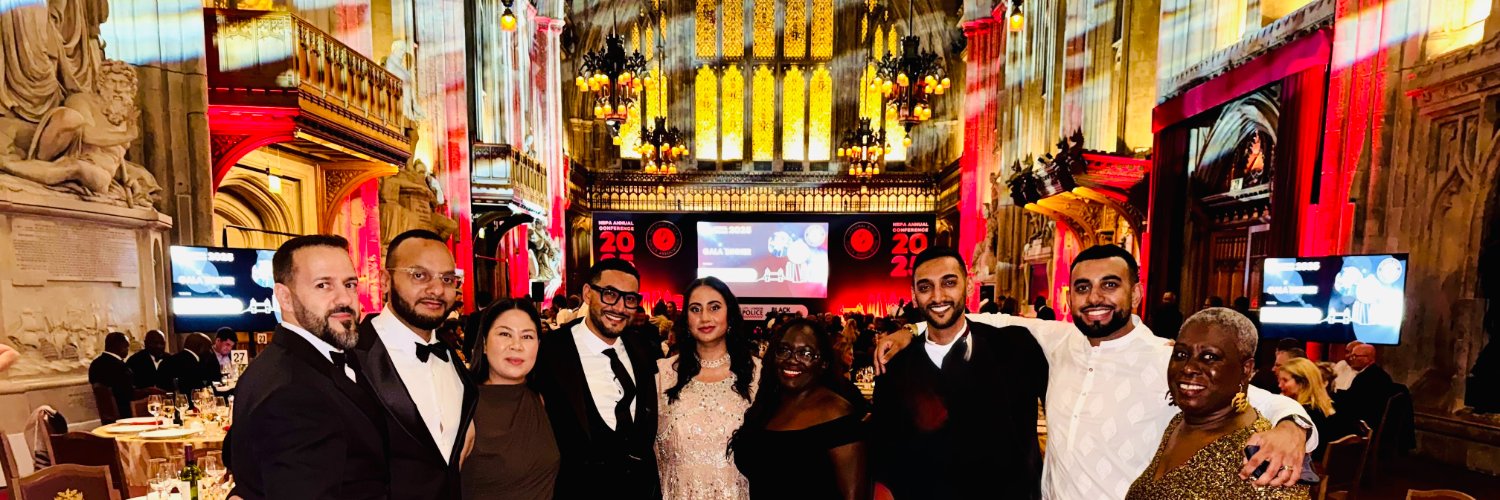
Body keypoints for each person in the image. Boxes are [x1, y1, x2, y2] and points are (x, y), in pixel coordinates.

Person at [877, 244, 1317, 499]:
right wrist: (909, 329)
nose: (1094, 299)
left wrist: (1293, 426)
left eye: (1110, 285)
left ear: (1137, 292)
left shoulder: (1168, 357)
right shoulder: (1056, 340)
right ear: (1071, 297)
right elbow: (972, 319)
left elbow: (1255, 396)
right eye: (1083, 288)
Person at [871, 247, 1047, 499]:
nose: (938, 296)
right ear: (913, 296)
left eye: (949, 282)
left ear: (970, 285)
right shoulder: (896, 368)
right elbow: (884, 457)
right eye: (925, 287)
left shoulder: (1015, 349)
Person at [229, 234, 388, 499]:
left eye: (349, 284)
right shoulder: (291, 392)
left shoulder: (316, 360)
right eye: (323, 285)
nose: (344, 299)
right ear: (285, 297)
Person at [1124, 308, 1310, 499]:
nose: (1188, 368)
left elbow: (1275, 403)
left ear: (1246, 369)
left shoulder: (1263, 455)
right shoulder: (1179, 422)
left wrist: (1294, 427)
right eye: (1180, 355)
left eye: (1210, 357)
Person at [353, 229, 476, 500]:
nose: (436, 289)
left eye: (447, 279)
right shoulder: (348, 357)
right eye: (419, 275)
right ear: (385, 280)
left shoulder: (452, 361)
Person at [531, 258, 660, 499]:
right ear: (588, 294)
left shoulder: (643, 350)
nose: (620, 307)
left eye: (630, 299)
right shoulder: (550, 352)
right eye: (610, 294)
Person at [732, 318, 870, 500]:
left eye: (805, 353)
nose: (792, 360)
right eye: (784, 350)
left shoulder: (837, 413)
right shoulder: (768, 403)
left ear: (823, 363)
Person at [655, 277, 758, 498]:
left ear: (729, 315)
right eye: (695, 309)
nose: (704, 318)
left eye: (714, 307)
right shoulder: (662, 375)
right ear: (686, 319)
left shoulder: (758, 374)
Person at [460, 299, 559, 500]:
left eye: (527, 336)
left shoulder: (539, 398)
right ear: (485, 344)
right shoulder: (465, 406)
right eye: (505, 334)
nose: (516, 345)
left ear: (538, 346)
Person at [1278, 358, 1355, 458]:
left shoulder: (1305, 414)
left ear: (1303, 382)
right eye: (1279, 380)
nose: (1280, 385)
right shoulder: (1325, 407)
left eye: (1285, 380)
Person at [1332, 344, 1395, 429]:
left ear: (1367, 358)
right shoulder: (1368, 373)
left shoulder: (1372, 377)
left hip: (1364, 425)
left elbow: (1354, 403)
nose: (1351, 359)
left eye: (1355, 356)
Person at [88, 331, 134, 420]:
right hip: (125, 413)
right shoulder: (121, 367)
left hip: (106, 414)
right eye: (127, 347)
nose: (128, 350)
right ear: (120, 347)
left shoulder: (95, 364)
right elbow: (129, 394)